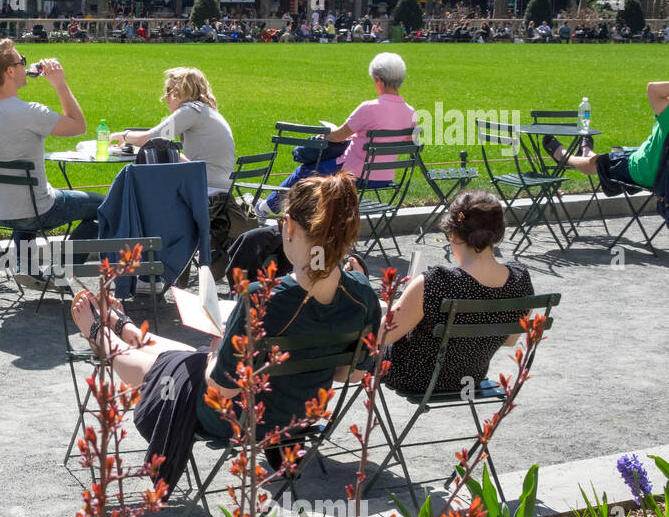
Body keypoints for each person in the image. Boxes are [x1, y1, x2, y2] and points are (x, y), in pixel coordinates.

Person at [69, 175, 381, 492]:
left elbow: (221, 387)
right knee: (186, 359)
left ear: (288, 226)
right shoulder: (362, 294)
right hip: (299, 416)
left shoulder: (263, 300)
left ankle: (102, 337)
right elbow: (352, 374)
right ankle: (126, 329)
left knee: (183, 367)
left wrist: (219, 346)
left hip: (242, 418)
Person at [380, 191, 533, 395]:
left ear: (453, 234)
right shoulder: (520, 280)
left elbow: (383, 336)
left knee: (360, 339)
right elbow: (509, 340)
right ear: (498, 235)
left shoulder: (437, 281)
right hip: (468, 380)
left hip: (414, 378)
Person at [0, 39, 95, 277]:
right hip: (38, 210)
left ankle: (25, 266)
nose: (26, 65)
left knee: (27, 196)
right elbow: (79, 126)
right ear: (11, 71)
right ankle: (61, 269)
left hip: (1, 210)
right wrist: (60, 84)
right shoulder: (30, 112)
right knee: (105, 206)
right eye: (21, 61)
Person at [260, 52, 418, 218]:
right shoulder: (410, 112)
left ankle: (266, 208)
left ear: (378, 80)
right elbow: (407, 142)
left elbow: (337, 136)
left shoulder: (368, 108)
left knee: (306, 171)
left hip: (353, 173)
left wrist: (324, 135)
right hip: (385, 177)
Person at [109, 67, 235, 195]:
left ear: (183, 90)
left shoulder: (191, 111)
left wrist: (123, 135)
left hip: (206, 188)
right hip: (219, 186)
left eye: (169, 90)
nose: (165, 96)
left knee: (143, 189)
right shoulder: (205, 110)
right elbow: (161, 141)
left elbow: (150, 138)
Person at [552, 81, 669, 202]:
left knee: (597, 164)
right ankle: (586, 151)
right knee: (610, 157)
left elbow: (653, 89)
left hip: (643, 170)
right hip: (660, 173)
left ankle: (564, 157)